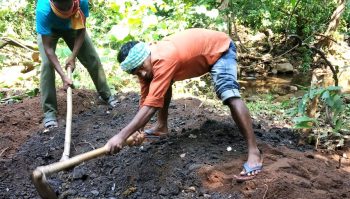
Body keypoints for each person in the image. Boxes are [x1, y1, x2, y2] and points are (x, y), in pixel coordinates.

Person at [106, 28, 263, 180]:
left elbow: (152, 105)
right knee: (159, 83)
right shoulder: (144, 66)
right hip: (204, 54)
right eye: (136, 72)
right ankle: (161, 127)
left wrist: (121, 136)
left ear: (147, 56)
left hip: (221, 49)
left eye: (142, 68)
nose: (142, 73)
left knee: (228, 93)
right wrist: (137, 131)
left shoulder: (163, 57)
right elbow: (146, 97)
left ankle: (254, 152)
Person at [36, 0, 118, 128]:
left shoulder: (81, 2)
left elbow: (81, 30)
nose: (64, 10)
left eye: (67, 7)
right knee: (47, 65)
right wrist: (63, 75)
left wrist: (73, 57)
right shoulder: (43, 10)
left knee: (92, 57)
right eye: (61, 9)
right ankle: (49, 112)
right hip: (50, 31)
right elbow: (48, 49)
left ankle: (106, 95)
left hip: (73, 27)